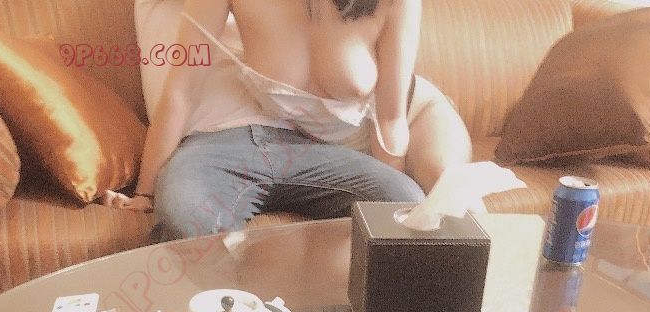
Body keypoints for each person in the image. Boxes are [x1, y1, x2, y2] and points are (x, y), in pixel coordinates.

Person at [104, 0, 473, 241]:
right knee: (186, 219)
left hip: (408, 116)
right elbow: (180, 93)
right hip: (299, 142)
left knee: (429, 209)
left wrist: (383, 216)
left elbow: (390, 120)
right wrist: (145, 192)